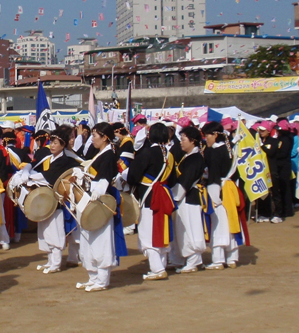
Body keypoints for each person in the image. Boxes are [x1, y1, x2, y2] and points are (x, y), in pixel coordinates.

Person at [14, 125, 81, 275]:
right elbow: (35, 166)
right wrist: (26, 171)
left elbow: (48, 176)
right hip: (44, 198)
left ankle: (56, 263)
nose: (52, 145)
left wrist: (29, 177)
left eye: (56, 143)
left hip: (55, 200)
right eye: (51, 142)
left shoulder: (64, 160)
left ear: (63, 145)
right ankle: (50, 260)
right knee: (45, 230)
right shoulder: (49, 158)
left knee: (54, 230)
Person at [74, 122, 124, 291]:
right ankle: (93, 276)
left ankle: (102, 280)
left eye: (95, 136)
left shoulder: (109, 155)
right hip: (90, 199)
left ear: (104, 138)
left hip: (101, 201)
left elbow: (104, 179)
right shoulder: (99, 153)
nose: (92, 139)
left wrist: (97, 190)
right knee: (88, 239)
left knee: (101, 240)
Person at [125, 122, 176, 281]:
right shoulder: (169, 154)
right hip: (164, 195)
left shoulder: (148, 152)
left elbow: (133, 175)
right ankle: (161, 264)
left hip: (150, 197)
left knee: (147, 234)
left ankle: (157, 269)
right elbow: (173, 178)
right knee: (160, 231)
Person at [202, 121, 241, 270]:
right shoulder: (229, 149)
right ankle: (232, 258)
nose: (206, 139)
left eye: (207, 135)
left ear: (215, 135)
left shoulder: (214, 152)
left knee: (218, 224)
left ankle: (218, 259)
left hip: (218, 189)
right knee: (231, 222)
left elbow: (214, 175)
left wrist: (213, 192)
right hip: (230, 188)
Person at [169, 125, 207, 273]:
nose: (181, 142)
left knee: (191, 228)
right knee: (181, 228)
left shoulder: (195, 159)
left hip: (190, 198)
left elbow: (186, 180)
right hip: (184, 198)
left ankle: (194, 260)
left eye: (184, 139)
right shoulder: (188, 157)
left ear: (193, 141)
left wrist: (174, 196)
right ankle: (180, 258)